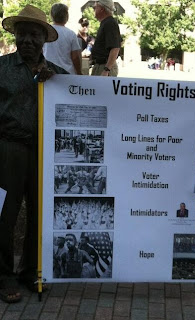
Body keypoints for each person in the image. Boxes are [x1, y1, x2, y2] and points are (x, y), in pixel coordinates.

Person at [0, 5, 68, 303]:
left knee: (39, 216)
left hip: (44, 153)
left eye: (34, 34)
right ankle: (3, 276)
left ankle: (31, 272)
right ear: (15, 36)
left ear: (44, 39)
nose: (27, 40)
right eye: (22, 34)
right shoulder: (1, 69)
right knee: (5, 215)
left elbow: (84, 99)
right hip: (8, 149)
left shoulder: (59, 76)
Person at [43, 3, 82, 75]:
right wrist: (79, 72)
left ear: (52, 15)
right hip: (67, 74)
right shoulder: (71, 34)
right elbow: (75, 57)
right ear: (66, 16)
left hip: (48, 73)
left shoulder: (45, 32)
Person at [91, 0, 121, 77]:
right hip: (101, 66)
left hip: (104, 67)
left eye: (95, 7)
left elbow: (115, 48)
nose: (93, 9)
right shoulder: (106, 23)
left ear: (102, 9)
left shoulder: (110, 23)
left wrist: (106, 70)